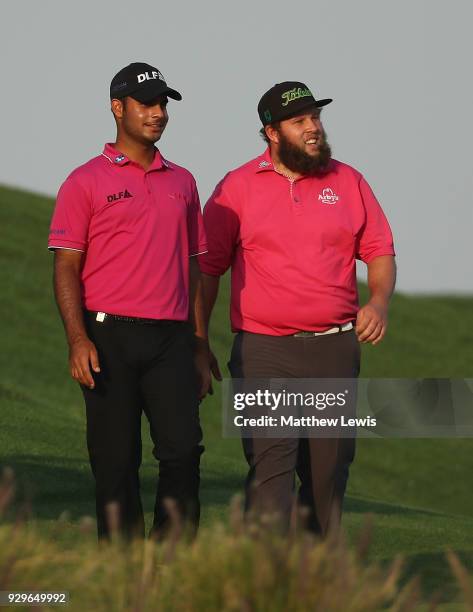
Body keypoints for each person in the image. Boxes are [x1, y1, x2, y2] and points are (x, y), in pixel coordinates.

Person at [199, 81, 396, 535]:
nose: (313, 128)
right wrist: (199, 338)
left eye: (316, 118)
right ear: (271, 132)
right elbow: (208, 270)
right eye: (300, 120)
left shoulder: (348, 181)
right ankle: (264, 589)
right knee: (271, 475)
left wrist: (379, 302)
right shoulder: (235, 188)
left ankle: (315, 587)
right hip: (262, 351)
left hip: (334, 350)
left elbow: (380, 250)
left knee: (328, 476)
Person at [48, 62, 210, 540]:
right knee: (116, 463)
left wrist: (200, 343)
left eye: (163, 104)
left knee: (183, 453)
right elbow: (66, 267)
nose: (158, 113)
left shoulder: (183, 182)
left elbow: (195, 265)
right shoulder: (84, 181)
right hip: (108, 337)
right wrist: (78, 339)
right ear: (118, 108)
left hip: (172, 341)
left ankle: (175, 566)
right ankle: (121, 578)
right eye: (147, 103)